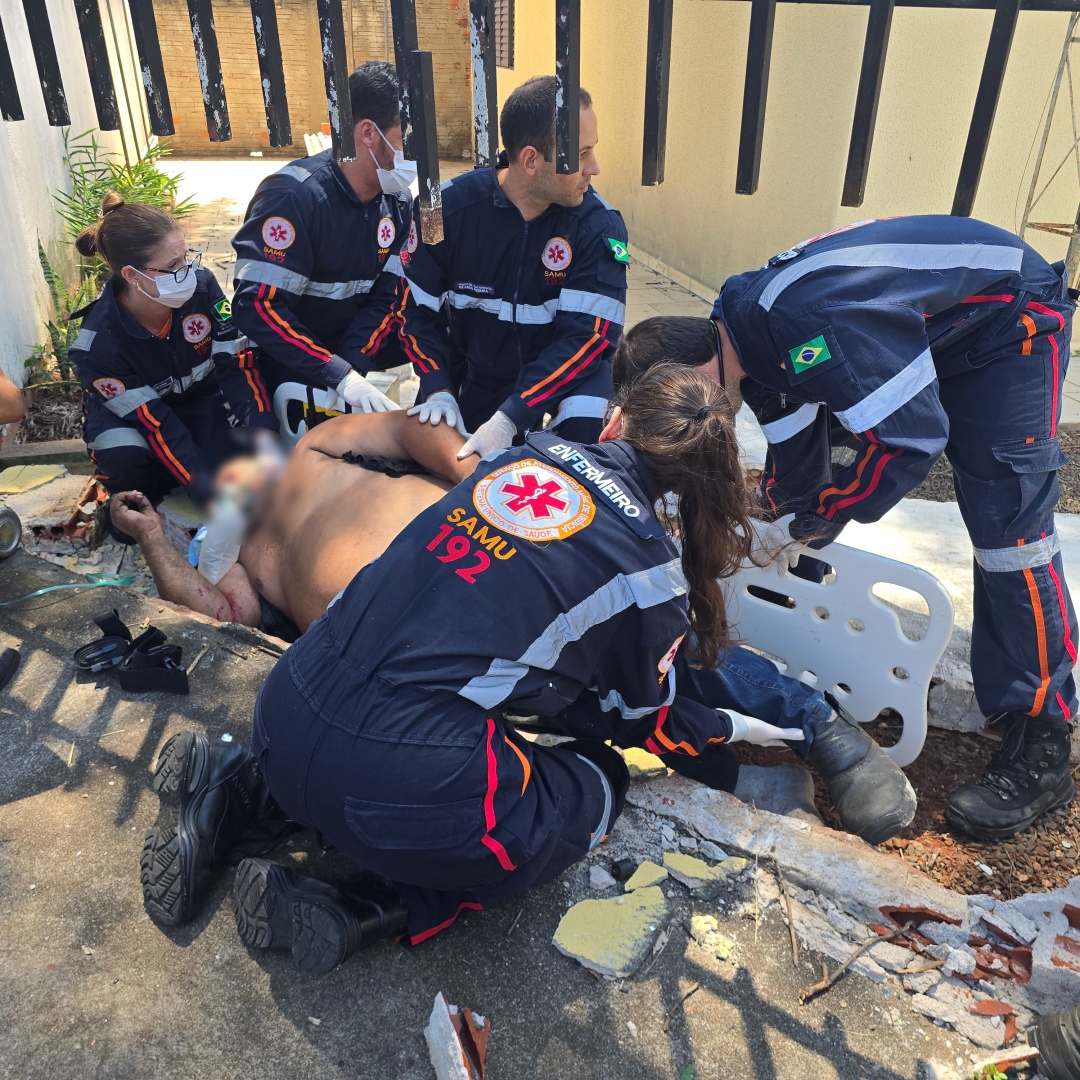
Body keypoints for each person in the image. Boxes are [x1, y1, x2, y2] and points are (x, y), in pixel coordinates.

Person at [138, 366, 913, 967]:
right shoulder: (649, 572)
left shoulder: (510, 464)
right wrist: (718, 754)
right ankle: (372, 901)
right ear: (697, 486)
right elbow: (651, 716)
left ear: (613, 418)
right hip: (389, 776)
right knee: (594, 780)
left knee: (407, 732)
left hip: (283, 711)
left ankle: (239, 795)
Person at [614, 215, 1078, 842]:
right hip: (946, 327)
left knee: (1010, 535)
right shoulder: (744, 339)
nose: (699, 430)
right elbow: (798, 459)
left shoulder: (803, 324)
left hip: (1007, 322)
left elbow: (908, 441)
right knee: (812, 499)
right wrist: (789, 518)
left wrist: (823, 516)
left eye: (689, 414)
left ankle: (1042, 738)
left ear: (695, 373)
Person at [398, 76, 629, 455]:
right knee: (446, 461)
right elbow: (412, 310)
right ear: (530, 160)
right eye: (582, 154)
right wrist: (437, 387)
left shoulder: (598, 227)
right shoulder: (442, 211)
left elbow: (587, 339)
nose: (595, 168)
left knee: (585, 431)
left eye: (593, 150)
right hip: (477, 373)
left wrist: (513, 415)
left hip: (565, 382)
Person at [110, 410, 480, 643]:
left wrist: (482, 481)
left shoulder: (315, 447)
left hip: (483, 532)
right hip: (420, 637)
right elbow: (220, 619)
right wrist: (151, 536)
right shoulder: (227, 549)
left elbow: (404, 428)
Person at [71, 193, 278, 517]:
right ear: (132, 275)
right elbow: (153, 422)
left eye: (185, 257)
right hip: (136, 418)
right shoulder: (99, 347)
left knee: (243, 465)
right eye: (172, 266)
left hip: (197, 399)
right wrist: (206, 492)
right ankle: (130, 512)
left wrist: (264, 432)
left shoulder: (202, 287)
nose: (188, 272)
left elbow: (236, 363)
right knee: (124, 456)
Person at [231, 61, 413, 416]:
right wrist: (336, 374)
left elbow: (388, 297)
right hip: (287, 358)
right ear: (368, 133)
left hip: (347, 353)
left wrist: (351, 368)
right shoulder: (293, 199)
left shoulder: (398, 203)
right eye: (409, 139)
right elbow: (257, 306)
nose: (420, 154)